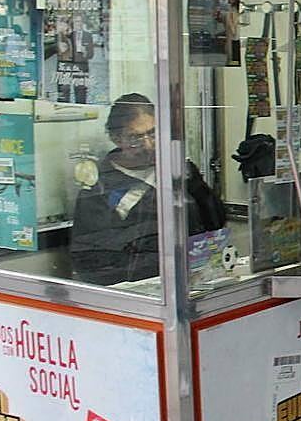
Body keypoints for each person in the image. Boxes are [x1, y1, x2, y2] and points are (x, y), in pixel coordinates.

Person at [70, 93, 226, 285]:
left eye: (153, 134)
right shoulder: (100, 189)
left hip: (195, 277)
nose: (148, 145)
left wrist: (194, 184)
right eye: (135, 138)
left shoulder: (178, 170)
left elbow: (215, 222)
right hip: (139, 287)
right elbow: (91, 261)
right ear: (117, 138)